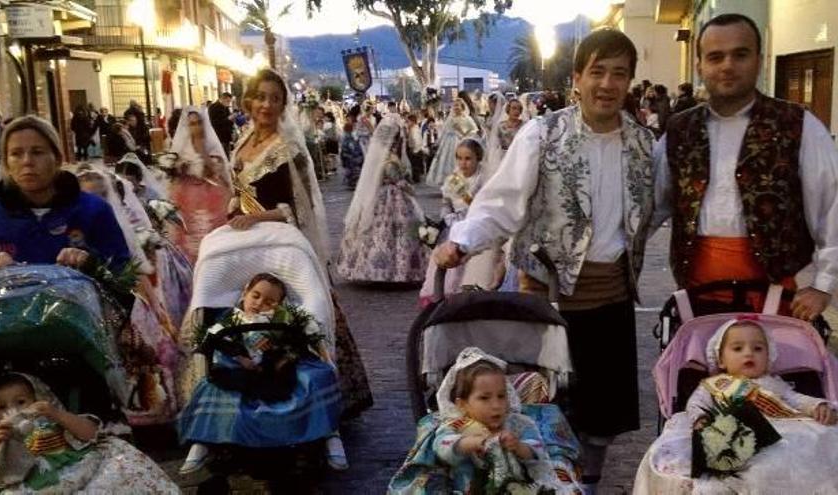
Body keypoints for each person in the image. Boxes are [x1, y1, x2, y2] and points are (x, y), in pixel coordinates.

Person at [432, 28, 655, 492]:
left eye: (619, 74)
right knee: (539, 406)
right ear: (577, 78)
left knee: (600, 415)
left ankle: (583, 485)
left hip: (610, 297)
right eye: (597, 72)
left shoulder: (643, 144)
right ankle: (535, 482)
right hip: (545, 301)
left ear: (631, 81)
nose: (608, 84)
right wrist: (463, 240)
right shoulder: (542, 133)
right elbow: (501, 203)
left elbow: (660, 206)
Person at [653, 13, 838, 321]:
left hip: (778, 299)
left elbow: (832, 205)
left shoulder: (798, 125)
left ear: (759, 60)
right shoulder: (679, 130)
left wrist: (823, 284)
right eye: (715, 57)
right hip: (698, 301)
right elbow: (650, 208)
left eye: (740, 55)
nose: (727, 65)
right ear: (700, 66)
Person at [229, 68, 373, 419]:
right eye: (261, 97)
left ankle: (310, 401)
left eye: (274, 99)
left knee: (298, 312)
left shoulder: (288, 148)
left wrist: (255, 218)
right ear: (249, 100)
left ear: (283, 105)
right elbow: (240, 192)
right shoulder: (243, 141)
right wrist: (234, 206)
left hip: (279, 239)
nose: (266, 104)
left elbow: (297, 208)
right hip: (245, 238)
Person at [634, 317, 838, 493]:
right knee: (751, 465)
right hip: (736, 436)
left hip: (781, 431)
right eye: (737, 348)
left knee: (811, 449)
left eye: (758, 348)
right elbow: (696, 405)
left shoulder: (775, 384)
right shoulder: (714, 385)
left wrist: (817, 405)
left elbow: (796, 400)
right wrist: (701, 419)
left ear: (769, 357)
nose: (748, 353)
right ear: (720, 359)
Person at [178, 273, 346, 473]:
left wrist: (284, 352)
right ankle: (203, 440)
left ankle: (329, 434)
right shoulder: (232, 317)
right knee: (211, 384)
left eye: (269, 301)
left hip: (277, 367)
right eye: (255, 296)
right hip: (241, 368)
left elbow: (299, 342)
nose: (259, 303)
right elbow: (215, 341)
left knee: (319, 376)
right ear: (245, 293)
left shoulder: (285, 318)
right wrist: (240, 357)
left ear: (279, 304)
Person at [0, 115, 131, 280]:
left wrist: (90, 264)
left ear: (57, 158)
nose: (27, 161)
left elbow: (125, 276)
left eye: (37, 152)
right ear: (6, 163)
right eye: (16, 154)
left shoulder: (94, 210)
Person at [388, 347, 571, 493]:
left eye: (501, 396)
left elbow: (538, 448)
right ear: (462, 404)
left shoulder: (517, 424)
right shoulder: (457, 425)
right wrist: (469, 443)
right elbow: (442, 446)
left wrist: (520, 447)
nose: (496, 405)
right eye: (485, 398)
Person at [0, 373, 179, 492]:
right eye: (2, 407)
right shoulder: (1, 439)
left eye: (21, 401)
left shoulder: (53, 422)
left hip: (75, 468)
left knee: (120, 472)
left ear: (37, 400)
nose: (14, 409)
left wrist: (55, 413)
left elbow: (90, 433)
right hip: (33, 484)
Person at [337, 113, 429, 283]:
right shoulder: (390, 160)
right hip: (393, 197)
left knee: (383, 232)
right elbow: (398, 181)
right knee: (397, 232)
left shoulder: (381, 157)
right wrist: (410, 189)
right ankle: (398, 270)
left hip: (382, 196)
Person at [419, 138, 484, 306]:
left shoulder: (483, 180)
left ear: (478, 158)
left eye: (468, 158)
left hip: (475, 227)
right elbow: (446, 203)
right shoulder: (452, 180)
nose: (463, 163)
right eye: (460, 158)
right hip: (453, 227)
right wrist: (447, 218)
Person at [165, 107, 231, 263]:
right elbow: (173, 172)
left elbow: (216, 171)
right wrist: (179, 168)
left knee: (210, 235)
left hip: (210, 197)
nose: (197, 127)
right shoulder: (182, 149)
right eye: (192, 124)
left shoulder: (211, 145)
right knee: (188, 239)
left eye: (199, 123)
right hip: (187, 199)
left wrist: (202, 151)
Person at [425, 98, 478, 187]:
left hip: (461, 142)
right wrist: (438, 142)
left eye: (458, 105)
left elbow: (474, 129)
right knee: (447, 163)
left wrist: (465, 134)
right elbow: (444, 130)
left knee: (458, 162)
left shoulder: (467, 118)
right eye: (455, 105)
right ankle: (449, 185)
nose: (456, 107)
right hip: (448, 143)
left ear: (462, 107)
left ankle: (461, 184)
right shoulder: (450, 119)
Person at [483, 97, 525, 181]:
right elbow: (494, 144)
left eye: (518, 109)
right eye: (513, 108)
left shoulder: (524, 125)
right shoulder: (500, 126)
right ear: (508, 110)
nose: (516, 111)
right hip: (504, 158)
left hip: (519, 156)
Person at [340, 120, 363, 189]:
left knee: (349, 169)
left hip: (347, 155)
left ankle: (351, 182)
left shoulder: (345, 135)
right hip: (351, 155)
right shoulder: (349, 136)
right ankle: (352, 182)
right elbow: (351, 146)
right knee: (353, 169)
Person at [405, 113, 426, 183]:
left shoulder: (414, 129)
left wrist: (414, 149)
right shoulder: (413, 128)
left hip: (415, 150)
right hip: (415, 149)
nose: (407, 123)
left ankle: (416, 179)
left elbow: (416, 140)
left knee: (415, 165)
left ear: (413, 121)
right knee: (414, 165)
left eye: (408, 121)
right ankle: (416, 178)